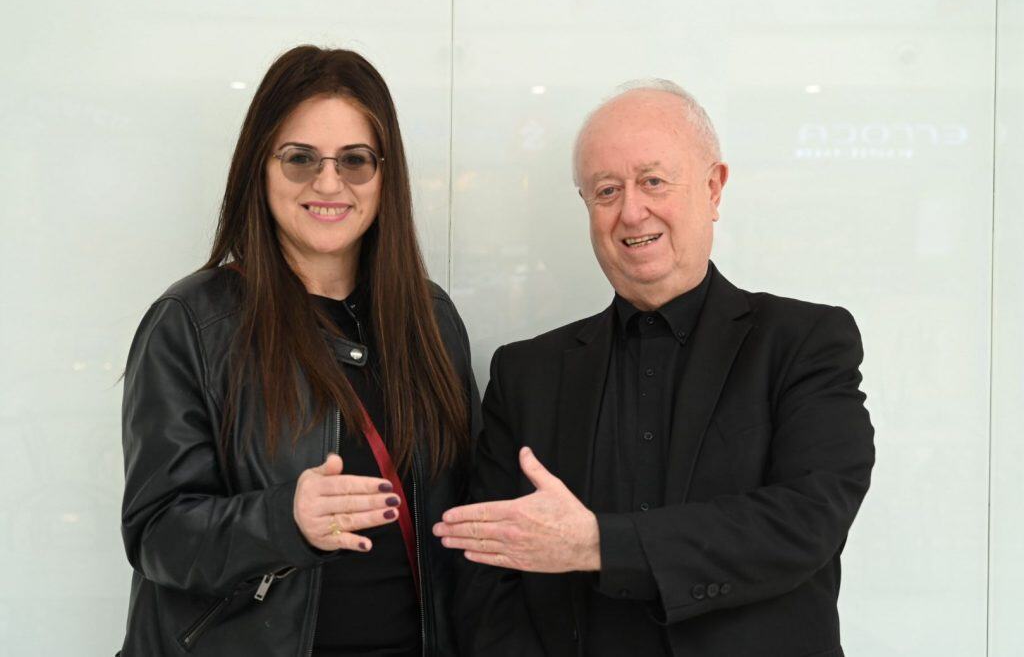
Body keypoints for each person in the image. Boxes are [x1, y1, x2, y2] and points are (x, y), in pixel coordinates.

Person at [434, 80, 875, 656]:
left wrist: (598, 544)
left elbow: (807, 519)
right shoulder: (525, 373)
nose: (631, 211)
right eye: (606, 190)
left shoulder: (805, 342)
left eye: (653, 181)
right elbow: (485, 577)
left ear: (713, 188)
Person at [119, 45, 478, 656]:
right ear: (259, 167)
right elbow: (158, 535)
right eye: (300, 158)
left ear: (385, 176)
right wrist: (283, 520)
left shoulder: (430, 318)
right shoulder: (193, 323)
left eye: (355, 160)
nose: (328, 182)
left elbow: (463, 513)